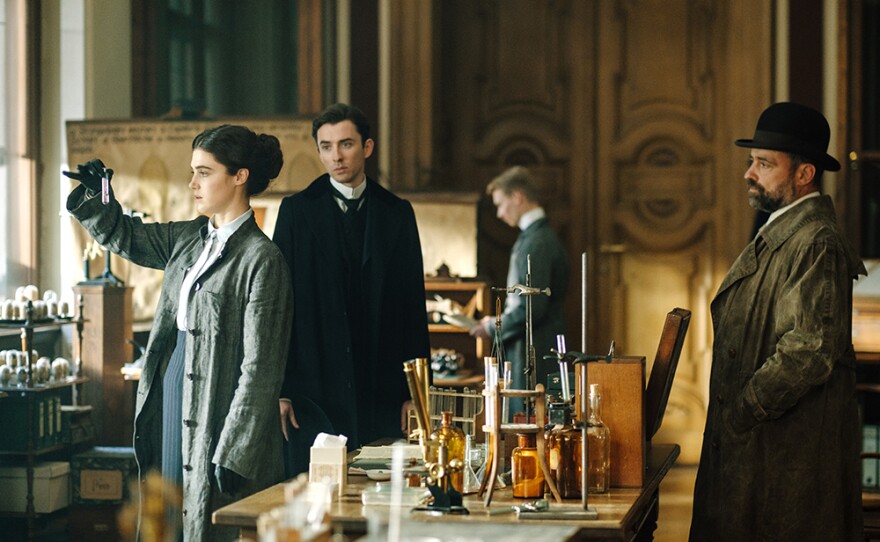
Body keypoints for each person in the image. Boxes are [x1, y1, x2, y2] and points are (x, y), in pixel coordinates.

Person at [64, 125, 293, 542]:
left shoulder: (263, 259)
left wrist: (236, 449)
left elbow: (261, 368)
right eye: (193, 172)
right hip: (170, 391)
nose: (192, 183)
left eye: (204, 172)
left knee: (204, 520)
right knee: (167, 516)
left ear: (239, 176)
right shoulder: (188, 237)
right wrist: (100, 196)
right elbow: (125, 235)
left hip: (218, 404)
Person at [689, 102, 865, 541]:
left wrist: (745, 409)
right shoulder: (783, 232)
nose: (750, 173)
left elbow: (809, 350)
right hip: (762, 447)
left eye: (764, 164)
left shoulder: (816, 241)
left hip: (782, 450)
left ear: (804, 174)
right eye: (752, 161)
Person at [273, 103, 430, 475]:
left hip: (382, 385)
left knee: (381, 493)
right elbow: (278, 307)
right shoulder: (297, 212)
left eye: (345, 144)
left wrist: (416, 393)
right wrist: (279, 389)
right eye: (326, 147)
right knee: (315, 499)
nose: (336, 156)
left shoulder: (398, 212)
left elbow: (413, 305)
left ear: (368, 147)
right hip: (314, 387)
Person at [469, 166, 569, 410]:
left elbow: (530, 308)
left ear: (518, 197)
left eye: (501, 204)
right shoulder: (536, 237)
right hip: (535, 346)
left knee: (528, 427)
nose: (500, 214)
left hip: (534, 352)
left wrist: (493, 326)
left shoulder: (536, 242)